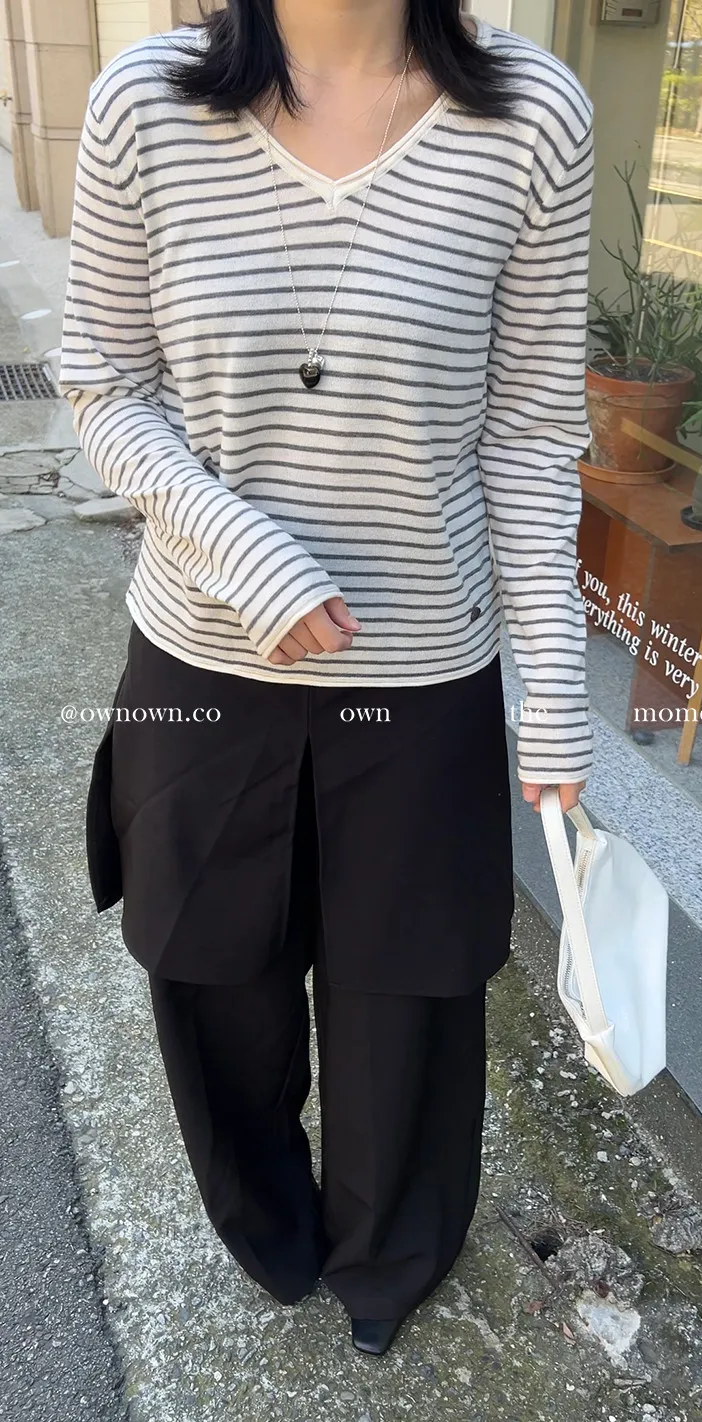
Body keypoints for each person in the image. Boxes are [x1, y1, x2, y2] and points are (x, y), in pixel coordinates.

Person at [59, 0, 593, 1358]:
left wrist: (554, 694)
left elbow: (532, 433)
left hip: (421, 677)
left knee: (408, 995)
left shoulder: (530, 116)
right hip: (202, 660)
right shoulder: (147, 103)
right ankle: (268, 1231)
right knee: (210, 976)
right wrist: (242, 546)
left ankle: (388, 1260)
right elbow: (102, 380)